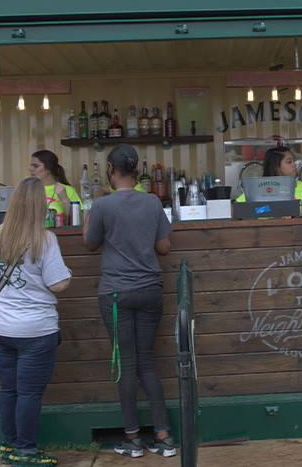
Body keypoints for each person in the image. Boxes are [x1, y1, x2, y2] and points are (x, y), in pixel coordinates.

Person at [83, 144, 177, 458]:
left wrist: (93, 207)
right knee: (146, 364)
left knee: (126, 366)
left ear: (110, 167)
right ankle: (163, 437)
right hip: (150, 290)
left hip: (115, 294)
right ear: (135, 169)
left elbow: (89, 244)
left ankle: (133, 439)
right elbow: (163, 248)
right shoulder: (152, 201)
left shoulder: (103, 205)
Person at [0, 177, 72, 466]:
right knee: (29, 393)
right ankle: (26, 451)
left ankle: (10, 445)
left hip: (1, 325)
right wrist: (68, 275)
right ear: (39, 205)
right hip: (35, 330)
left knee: (9, 389)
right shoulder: (45, 238)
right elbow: (58, 284)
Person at [234, 145, 302, 203]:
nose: (294, 164)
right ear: (275, 166)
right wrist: (265, 210)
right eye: (289, 161)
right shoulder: (259, 187)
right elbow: (234, 209)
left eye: (294, 161)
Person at [29, 150, 80, 223]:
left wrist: (64, 199)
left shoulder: (67, 190)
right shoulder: (28, 189)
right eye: (30, 166)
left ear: (48, 169)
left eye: (35, 166)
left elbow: (77, 221)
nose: (30, 169)